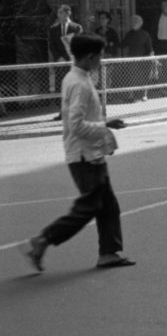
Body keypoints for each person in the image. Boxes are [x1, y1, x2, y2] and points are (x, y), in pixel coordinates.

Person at [21, 33, 134, 272]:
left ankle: (108, 253)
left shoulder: (77, 77)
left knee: (108, 206)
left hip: (90, 153)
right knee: (89, 207)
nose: (102, 60)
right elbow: (77, 125)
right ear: (90, 56)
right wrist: (106, 125)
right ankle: (42, 240)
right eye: (100, 56)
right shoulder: (79, 84)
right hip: (84, 156)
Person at [48, 5, 84, 120]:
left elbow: (78, 44)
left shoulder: (77, 28)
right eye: (59, 13)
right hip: (60, 62)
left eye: (62, 12)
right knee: (61, 86)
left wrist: (66, 57)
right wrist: (59, 57)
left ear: (68, 14)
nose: (59, 15)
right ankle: (63, 112)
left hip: (72, 63)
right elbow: (52, 45)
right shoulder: (53, 29)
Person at [120, 15, 154, 102]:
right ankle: (130, 96)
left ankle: (144, 95)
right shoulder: (129, 34)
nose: (133, 23)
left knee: (144, 78)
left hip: (143, 60)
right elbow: (123, 44)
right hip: (131, 59)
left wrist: (152, 58)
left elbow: (150, 48)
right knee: (131, 78)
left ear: (140, 23)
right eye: (132, 21)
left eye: (136, 21)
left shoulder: (145, 34)